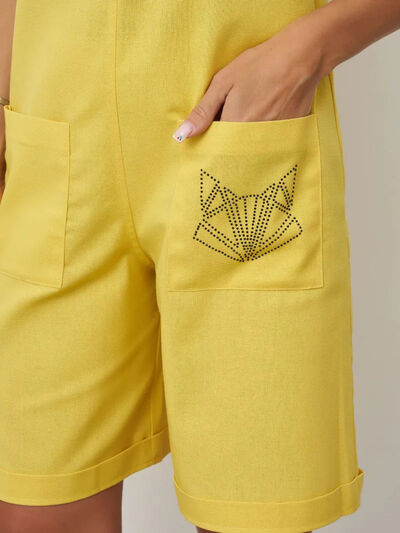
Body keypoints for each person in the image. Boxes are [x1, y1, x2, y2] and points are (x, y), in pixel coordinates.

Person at [0, 1, 398, 532]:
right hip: (51, 140)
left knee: (250, 514)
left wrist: (305, 53)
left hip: (240, 146)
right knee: (40, 505)